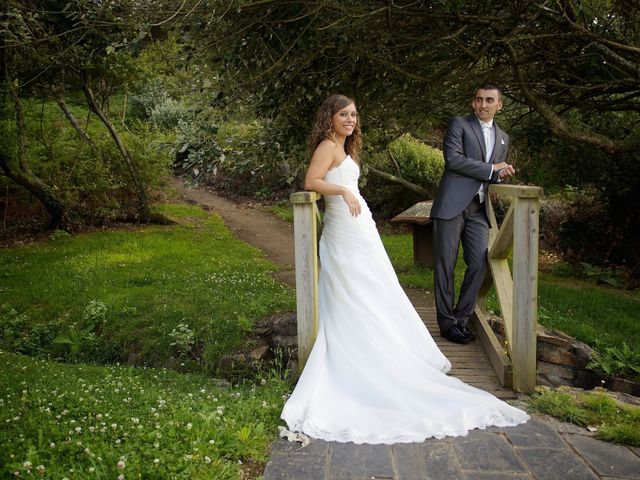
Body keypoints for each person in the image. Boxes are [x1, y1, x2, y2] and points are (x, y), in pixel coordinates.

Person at [280, 93, 528, 444]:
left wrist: (349, 195)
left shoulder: (344, 146)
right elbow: (310, 182)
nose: (350, 120)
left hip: (359, 225)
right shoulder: (327, 145)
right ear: (330, 118)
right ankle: (362, 349)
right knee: (354, 288)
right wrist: (342, 191)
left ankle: (384, 344)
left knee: (376, 287)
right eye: (343, 115)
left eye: (354, 114)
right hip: (343, 227)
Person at [431, 83, 515, 345]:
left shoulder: (503, 138)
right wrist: (492, 169)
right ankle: (446, 324)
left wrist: (501, 175)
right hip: (452, 204)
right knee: (445, 265)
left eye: (490, 100)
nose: (483, 104)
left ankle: (461, 318)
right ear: (473, 102)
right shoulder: (460, 124)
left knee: (479, 262)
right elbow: (453, 160)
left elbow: (490, 176)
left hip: (479, 208)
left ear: (499, 105)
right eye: (479, 99)